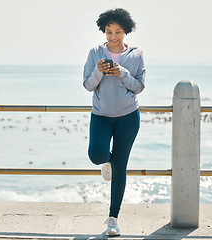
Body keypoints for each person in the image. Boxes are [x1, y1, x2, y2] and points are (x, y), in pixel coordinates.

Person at [83, 8, 145, 236]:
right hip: (101, 116)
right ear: (104, 31)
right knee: (96, 155)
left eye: (118, 32)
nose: (113, 36)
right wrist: (99, 72)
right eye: (109, 32)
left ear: (125, 31)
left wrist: (123, 73)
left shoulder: (137, 55)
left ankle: (113, 218)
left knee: (121, 167)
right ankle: (107, 162)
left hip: (129, 117)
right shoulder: (94, 53)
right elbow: (88, 85)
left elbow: (139, 86)